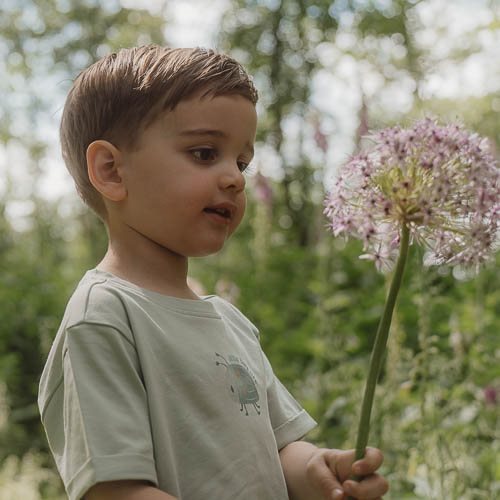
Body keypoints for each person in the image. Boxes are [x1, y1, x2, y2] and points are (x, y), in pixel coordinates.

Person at [38, 45, 389, 500]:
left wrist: (318, 470)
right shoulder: (104, 316)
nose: (236, 178)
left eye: (241, 162)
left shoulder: (230, 320)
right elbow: (115, 490)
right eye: (205, 153)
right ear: (111, 171)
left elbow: (278, 450)